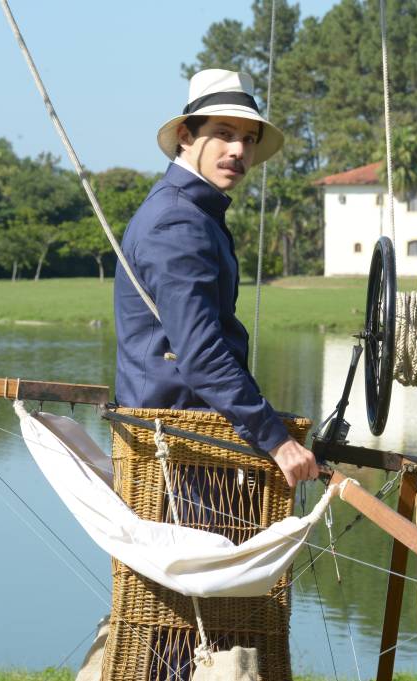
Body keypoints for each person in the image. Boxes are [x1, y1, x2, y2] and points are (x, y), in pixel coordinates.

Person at [114, 67, 319, 487]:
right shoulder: (178, 221)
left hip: (190, 441)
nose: (238, 149)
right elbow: (202, 353)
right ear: (186, 136)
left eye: (248, 139)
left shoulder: (195, 213)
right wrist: (276, 441)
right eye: (224, 133)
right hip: (176, 450)